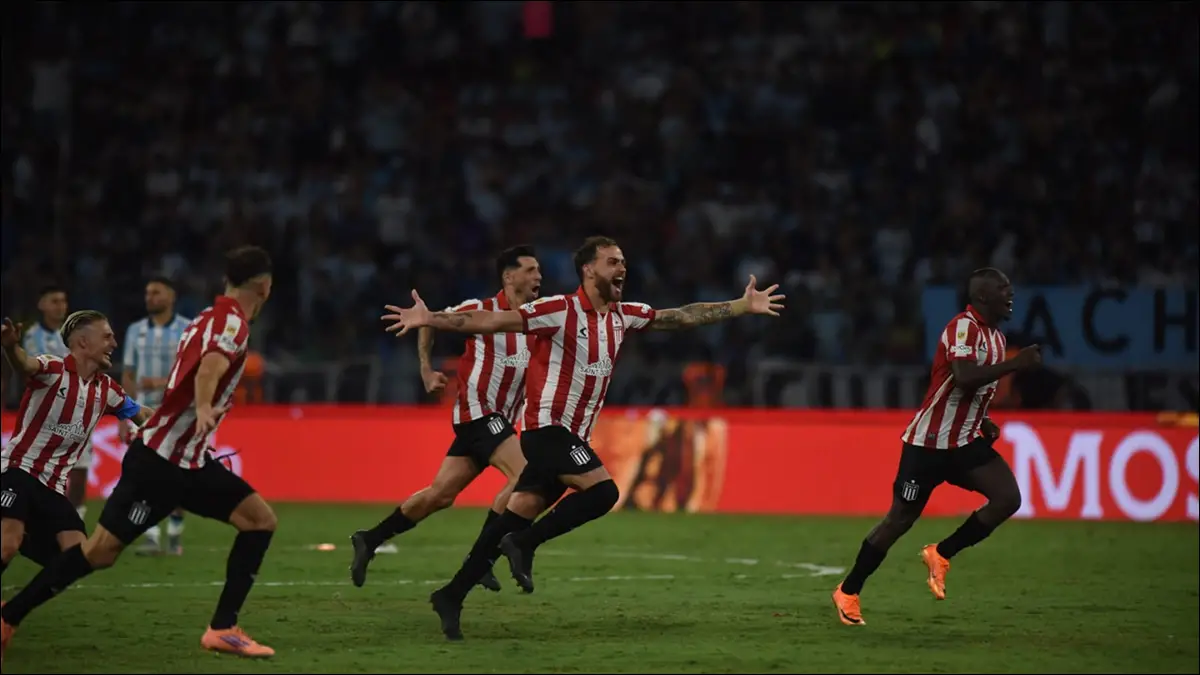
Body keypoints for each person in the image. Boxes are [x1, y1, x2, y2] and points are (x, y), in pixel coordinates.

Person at [381, 235, 785, 640]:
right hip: (546, 431)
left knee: (511, 516)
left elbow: (679, 316)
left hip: (570, 434)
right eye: (612, 261)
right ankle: (525, 544)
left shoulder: (623, 315)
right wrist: (431, 318)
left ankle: (452, 594)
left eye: (623, 260)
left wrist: (740, 306)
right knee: (603, 493)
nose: (621, 267)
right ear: (589, 269)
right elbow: (489, 321)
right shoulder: (559, 310)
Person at [1, 246, 279, 659]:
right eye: (106, 336)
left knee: (258, 520)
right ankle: (8, 617)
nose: (113, 341)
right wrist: (204, 406)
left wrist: (175, 412)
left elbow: (158, 398)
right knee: (94, 552)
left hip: (183, 458)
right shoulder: (231, 323)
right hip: (161, 462)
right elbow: (211, 367)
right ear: (265, 286)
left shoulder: (202, 319)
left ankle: (223, 627)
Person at [831, 267, 1041, 626]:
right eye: (1003, 289)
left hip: (963, 443)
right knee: (899, 520)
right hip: (926, 446)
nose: (1011, 295)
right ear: (982, 297)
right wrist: (1015, 365)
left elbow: (971, 390)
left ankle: (941, 553)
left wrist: (982, 419)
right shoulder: (963, 327)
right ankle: (848, 591)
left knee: (1008, 498)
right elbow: (962, 375)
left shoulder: (996, 338)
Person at [349, 245, 543, 592]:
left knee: (440, 495)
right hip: (480, 413)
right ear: (509, 276)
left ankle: (370, 538)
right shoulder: (480, 310)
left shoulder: (534, 320)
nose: (538, 276)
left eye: (538, 270)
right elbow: (429, 320)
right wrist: (426, 368)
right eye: (530, 270)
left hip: (496, 422)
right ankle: (482, 559)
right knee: (526, 475)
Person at [1, 312, 155, 582]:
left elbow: (142, 415)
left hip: (54, 486)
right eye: (107, 337)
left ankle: (12, 610)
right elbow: (24, 364)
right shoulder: (52, 369)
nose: (114, 344)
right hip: (19, 470)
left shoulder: (107, 389)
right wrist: (11, 346)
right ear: (83, 342)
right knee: (7, 543)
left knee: (77, 557)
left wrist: (181, 431)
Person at [121, 276, 192, 556]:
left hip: (179, 413)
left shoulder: (188, 329)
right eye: (147, 292)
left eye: (156, 292)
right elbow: (127, 373)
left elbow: (192, 371)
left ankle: (174, 535)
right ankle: (150, 535)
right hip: (142, 414)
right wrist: (122, 415)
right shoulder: (135, 330)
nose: (150, 297)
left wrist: (161, 383)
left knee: (178, 476)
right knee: (143, 477)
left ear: (171, 296)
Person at [21, 286, 92, 520]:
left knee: (81, 466)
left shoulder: (78, 335)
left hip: (79, 409)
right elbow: (35, 372)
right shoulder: (33, 336)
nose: (60, 305)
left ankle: (77, 516)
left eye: (63, 300)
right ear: (42, 305)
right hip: (47, 413)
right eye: (54, 301)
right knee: (40, 467)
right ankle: (37, 517)